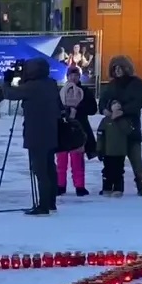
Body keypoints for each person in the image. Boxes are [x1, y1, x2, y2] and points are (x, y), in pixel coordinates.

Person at [2, 57, 61, 216]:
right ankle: (51, 203)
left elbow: (10, 93)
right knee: (49, 168)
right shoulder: (51, 84)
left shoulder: (33, 86)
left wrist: (7, 80)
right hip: (50, 132)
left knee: (40, 170)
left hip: (36, 133)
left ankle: (43, 206)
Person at [97, 55, 142, 195]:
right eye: (115, 68)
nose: (117, 70)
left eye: (120, 67)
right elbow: (102, 101)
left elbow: (138, 102)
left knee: (135, 157)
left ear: (126, 68)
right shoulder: (111, 84)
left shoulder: (136, 83)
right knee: (114, 159)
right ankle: (113, 185)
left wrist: (122, 111)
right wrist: (105, 109)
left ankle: (141, 183)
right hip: (113, 129)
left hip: (130, 126)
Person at [56, 64, 89, 196]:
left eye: (76, 75)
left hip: (77, 129)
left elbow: (92, 109)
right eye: (71, 75)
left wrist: (78, 110)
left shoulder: (84, 91)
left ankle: (79, 186)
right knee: (61, 160)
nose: (74, 78)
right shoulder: (60, 92)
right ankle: (60, 185)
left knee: (77, 160)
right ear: (67, 76)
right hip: (63, 129)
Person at [96, 101, 132, 197]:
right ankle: (107, 188)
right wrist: (99, 149)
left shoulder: (124, 120)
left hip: (120, 152)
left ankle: (118, 189)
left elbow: (128, 131)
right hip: (107, 151)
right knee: (107, 170)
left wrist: (119, 119)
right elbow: (100, 136)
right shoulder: (105, 120)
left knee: (119, 170)